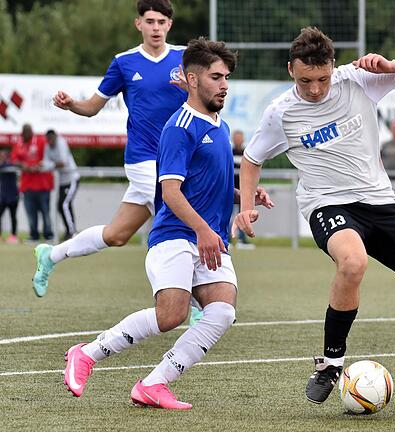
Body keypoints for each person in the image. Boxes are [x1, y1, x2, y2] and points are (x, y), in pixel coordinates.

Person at [234, 26, 395, 405]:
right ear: (291, 70)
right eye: (306, 80)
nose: (316, 88)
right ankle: (330, 363)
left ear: (333, 68)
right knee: (352, 263)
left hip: (381, 202)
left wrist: (387, 63)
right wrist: (246, 206)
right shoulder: (281, 113)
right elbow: (253, 159)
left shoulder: (357, 80)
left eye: (322, 78)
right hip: (328, 204)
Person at [62, 38, 267, 410]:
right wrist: (203, 229)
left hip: (210, 239)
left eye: (227, 77)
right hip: (175, 236)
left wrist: (244, 196)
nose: (224, 84)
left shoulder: (220, 124)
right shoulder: (179, 126)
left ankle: (154, 384)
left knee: (222, 310)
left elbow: (208, 181)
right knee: (172, 315)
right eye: (216, 77)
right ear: (192, 79)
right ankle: (87, 353)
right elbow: (170, 191)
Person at [33, 0, 188, 297]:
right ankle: (191, 302)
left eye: (161, 22)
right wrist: (71, 105)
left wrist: (190, 89)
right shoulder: (124, 62)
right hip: (143, 159)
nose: (155, 28)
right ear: (138, 24)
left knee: (116, 235)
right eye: (150, 21)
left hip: (176, 159)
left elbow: (207, 99)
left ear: (169, 25)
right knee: (178, 221)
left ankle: (49, 255)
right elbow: (92, 107)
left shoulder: (185, 58)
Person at [10, 124, 54, 243]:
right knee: (31, 213)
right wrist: (24, 166)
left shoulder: (40, 141)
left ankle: (48, 236)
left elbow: (48, 157)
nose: (23, 136)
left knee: (45, 212)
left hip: (43, 185)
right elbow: (13, 159)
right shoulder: (19, 144)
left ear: (30, 132)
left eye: (26, 133)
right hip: (27, 186)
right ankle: (33, 235)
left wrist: (38, 166)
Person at [45, 130, 80, 240]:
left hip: (72, 178)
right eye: (48, 139)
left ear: (55, 137)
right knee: (61, 206)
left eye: (51, 139)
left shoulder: (61, 143)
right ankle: (69, 231)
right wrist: (52, 165)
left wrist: (51, 165)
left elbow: (63, 162)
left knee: (64, 204)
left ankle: (72, 232)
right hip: (61, 181)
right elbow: (45, 163)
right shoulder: (47, 147)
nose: (50, 142)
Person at [230, 129, 254, 249]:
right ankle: (227, 240)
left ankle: (242, 240)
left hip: (243, 191)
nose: (238, 140)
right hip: (230, 190)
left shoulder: (247, 152)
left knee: (244, 215)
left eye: (240, 137)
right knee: (228, 215)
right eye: (236, 137)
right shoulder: (229, 152)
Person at [0, 149, 20, 244]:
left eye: (3, 155)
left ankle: (13, 235)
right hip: (3, 196)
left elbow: (12, 165)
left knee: (13, 216)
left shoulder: (11, 165)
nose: (1, 157)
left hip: (13, 196)